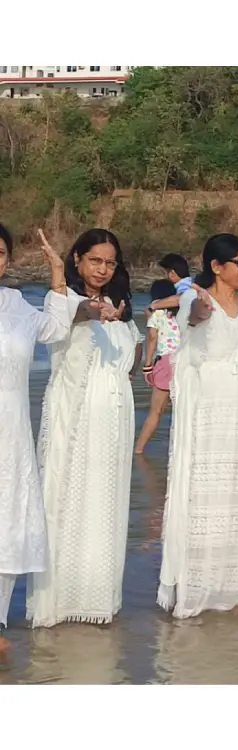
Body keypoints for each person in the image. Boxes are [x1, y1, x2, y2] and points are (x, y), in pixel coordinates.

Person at [27, 228, 141, 628]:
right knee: (70, 500)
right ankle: (58, 603)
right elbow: (74, 315)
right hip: (77, 413)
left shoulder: (119, 307)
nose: (103, 269)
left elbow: (129, 357)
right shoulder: (63, 300)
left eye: (110, 262)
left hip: (115, 414)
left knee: (106, 503)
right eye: (95, 260)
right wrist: (93, 310)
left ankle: (97, 597)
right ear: (77, 259)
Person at [157, 233, 238, 619]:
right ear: (217, 266)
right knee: (208, 496)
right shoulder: (195, 298)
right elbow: (191, 326)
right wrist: (200, 314)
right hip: (211, 412)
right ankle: (198, 588)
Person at [0, 226, 72, 652]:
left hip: (9, 436)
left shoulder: (17, 306)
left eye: (0, 252)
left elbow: (57, 329)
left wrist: (58, 273)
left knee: (7, 520)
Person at [135, 279, 180, 454]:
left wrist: (147, 366)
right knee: (183, 410)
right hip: (184, 362)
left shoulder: (156, 315)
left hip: (166, 361)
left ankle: (139, 449)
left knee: (156, 411)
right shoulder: (183, 312)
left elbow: (152, 339)